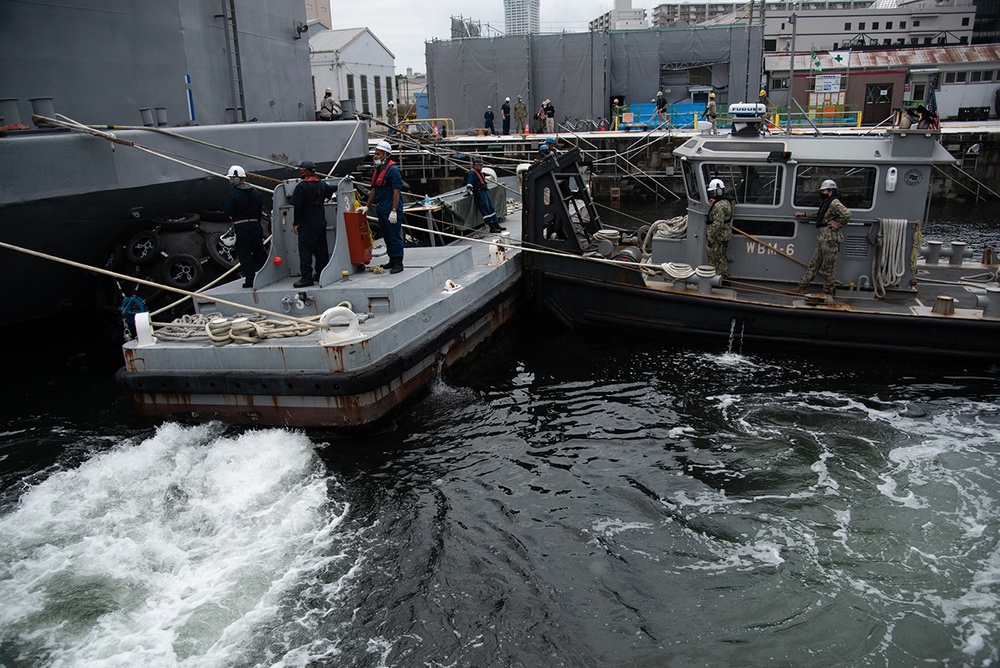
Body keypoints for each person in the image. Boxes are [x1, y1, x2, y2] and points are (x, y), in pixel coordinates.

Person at [792, 179, 851, 296]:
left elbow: (847, 214)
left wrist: (838, 224)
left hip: (830, 238)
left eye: (823, 191)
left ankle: (829, 291)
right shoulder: (826, 202)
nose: (821, 193)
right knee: (815, 263)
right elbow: (820, 215)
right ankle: (802, 286)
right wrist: (804, 214)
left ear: (830, 191)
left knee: (828, 266)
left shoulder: (834, 203)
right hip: (822, 238)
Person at [361, 140, 405, 273]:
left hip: (390, 209)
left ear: (385, 155)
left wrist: (394, 210)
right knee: (386, 235)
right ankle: (392, 260)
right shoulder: (378, 170)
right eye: (375, 154)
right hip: (381, 208)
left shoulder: (393, 170)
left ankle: (398, 263)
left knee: (394, 236)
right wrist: (367, 206)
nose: (375, 156)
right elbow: (373, 190)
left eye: (378, 154)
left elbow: (396, 191)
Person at [290, 160, 334, 287]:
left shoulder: (301, 187)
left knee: (305, 250)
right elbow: (330, 191)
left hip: (307, 222)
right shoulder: (322, 184)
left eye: (301, 169)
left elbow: (297, 207)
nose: (300, 172)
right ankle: (321, 273)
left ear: (307, 170)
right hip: (320, 220)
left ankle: (306, 277)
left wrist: (295, 223)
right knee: (321, 249)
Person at [223, 165, 268, 288]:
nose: (230, 181)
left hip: (241, 226)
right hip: (255, 225)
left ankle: (250, 280)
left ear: (236, 179)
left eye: (231, 178)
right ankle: (268, 276)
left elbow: (228, 211)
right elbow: (259, 211)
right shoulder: (255, 192)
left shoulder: (233, 194)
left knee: (245, 253)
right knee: (260, 251)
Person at [466, 157, 505, 233]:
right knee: (485, 210)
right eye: (480, 165)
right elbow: (470, 183)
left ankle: (496, 224)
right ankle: (491, 226)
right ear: (476, 165)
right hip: (480, 193)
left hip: (485, 191)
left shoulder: (479, 172)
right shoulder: (472, 173)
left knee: (491, 208)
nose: (481, 167)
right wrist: (468, 191)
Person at [705, 178, 733, 280]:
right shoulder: (727, 201)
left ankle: (719, 280)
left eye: (713, 192)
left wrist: (711, 236)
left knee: (716, 259)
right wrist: (716, 201)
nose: (712, 194)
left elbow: (718, 222)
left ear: (718, 191)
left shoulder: (719, 206)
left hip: (718, 236)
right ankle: (724, 278)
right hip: (725, 234)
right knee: (722, 257)